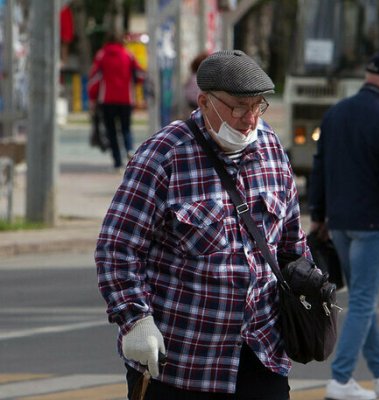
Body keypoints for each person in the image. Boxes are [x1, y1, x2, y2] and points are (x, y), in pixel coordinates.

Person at [95, 49, 310, 400]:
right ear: (205, 101)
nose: (249, 118)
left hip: (262, 354)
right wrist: (135, 319)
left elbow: (291, 243)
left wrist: (309, 288)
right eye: (238, 107)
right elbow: (117, 248)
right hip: (182, 364)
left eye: (258, 106)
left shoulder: (271, 148)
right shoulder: (163, 155)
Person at [309, 50, 379, 400]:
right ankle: (340, 380)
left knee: (359, 298)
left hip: (339, 223)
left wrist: (319, 216)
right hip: (373, 223)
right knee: (364, 302)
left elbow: (320, 169)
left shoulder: (336, 113)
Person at [87, 33, 146, 171]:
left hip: (107, 99)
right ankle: (130, 152)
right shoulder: (128, 55)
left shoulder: (101, 55)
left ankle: (117, 162)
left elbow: (94, 79)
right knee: (126, 128)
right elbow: (140, 74)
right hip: (126, 99)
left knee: (111, 131)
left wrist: (93, 97)